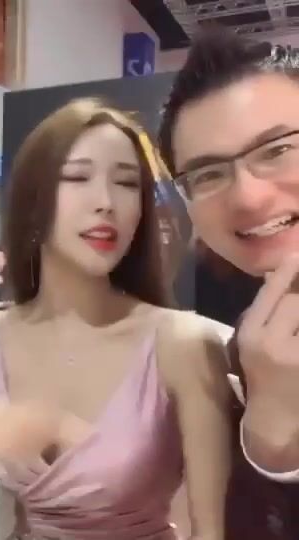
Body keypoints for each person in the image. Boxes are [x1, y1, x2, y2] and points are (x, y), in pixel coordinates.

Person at [0, 98, 232, 540]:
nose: (106, 202)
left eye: (126, 183)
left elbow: (213, 531)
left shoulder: (181, 343)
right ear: (34, 201)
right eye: (77, 177)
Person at [158, 28, 299, 538]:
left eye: (277, 150)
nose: (247, 197)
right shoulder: (250, 342)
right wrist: (270, 450)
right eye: (209, 174)